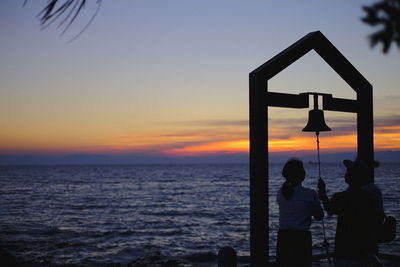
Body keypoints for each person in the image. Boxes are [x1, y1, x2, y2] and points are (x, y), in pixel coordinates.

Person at [318, 159, 383, 266]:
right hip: (364, 253)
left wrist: (323, 193)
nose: (346, 173)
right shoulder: (370, 198)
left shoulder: (340, 198)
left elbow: (329, 210)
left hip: (344, 252)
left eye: (348, 172)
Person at [276, 158, 324, 267]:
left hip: (283, 239)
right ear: (302, 175)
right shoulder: (309, 194)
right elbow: (319, 216)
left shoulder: (281, 193)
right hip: (301, 239)